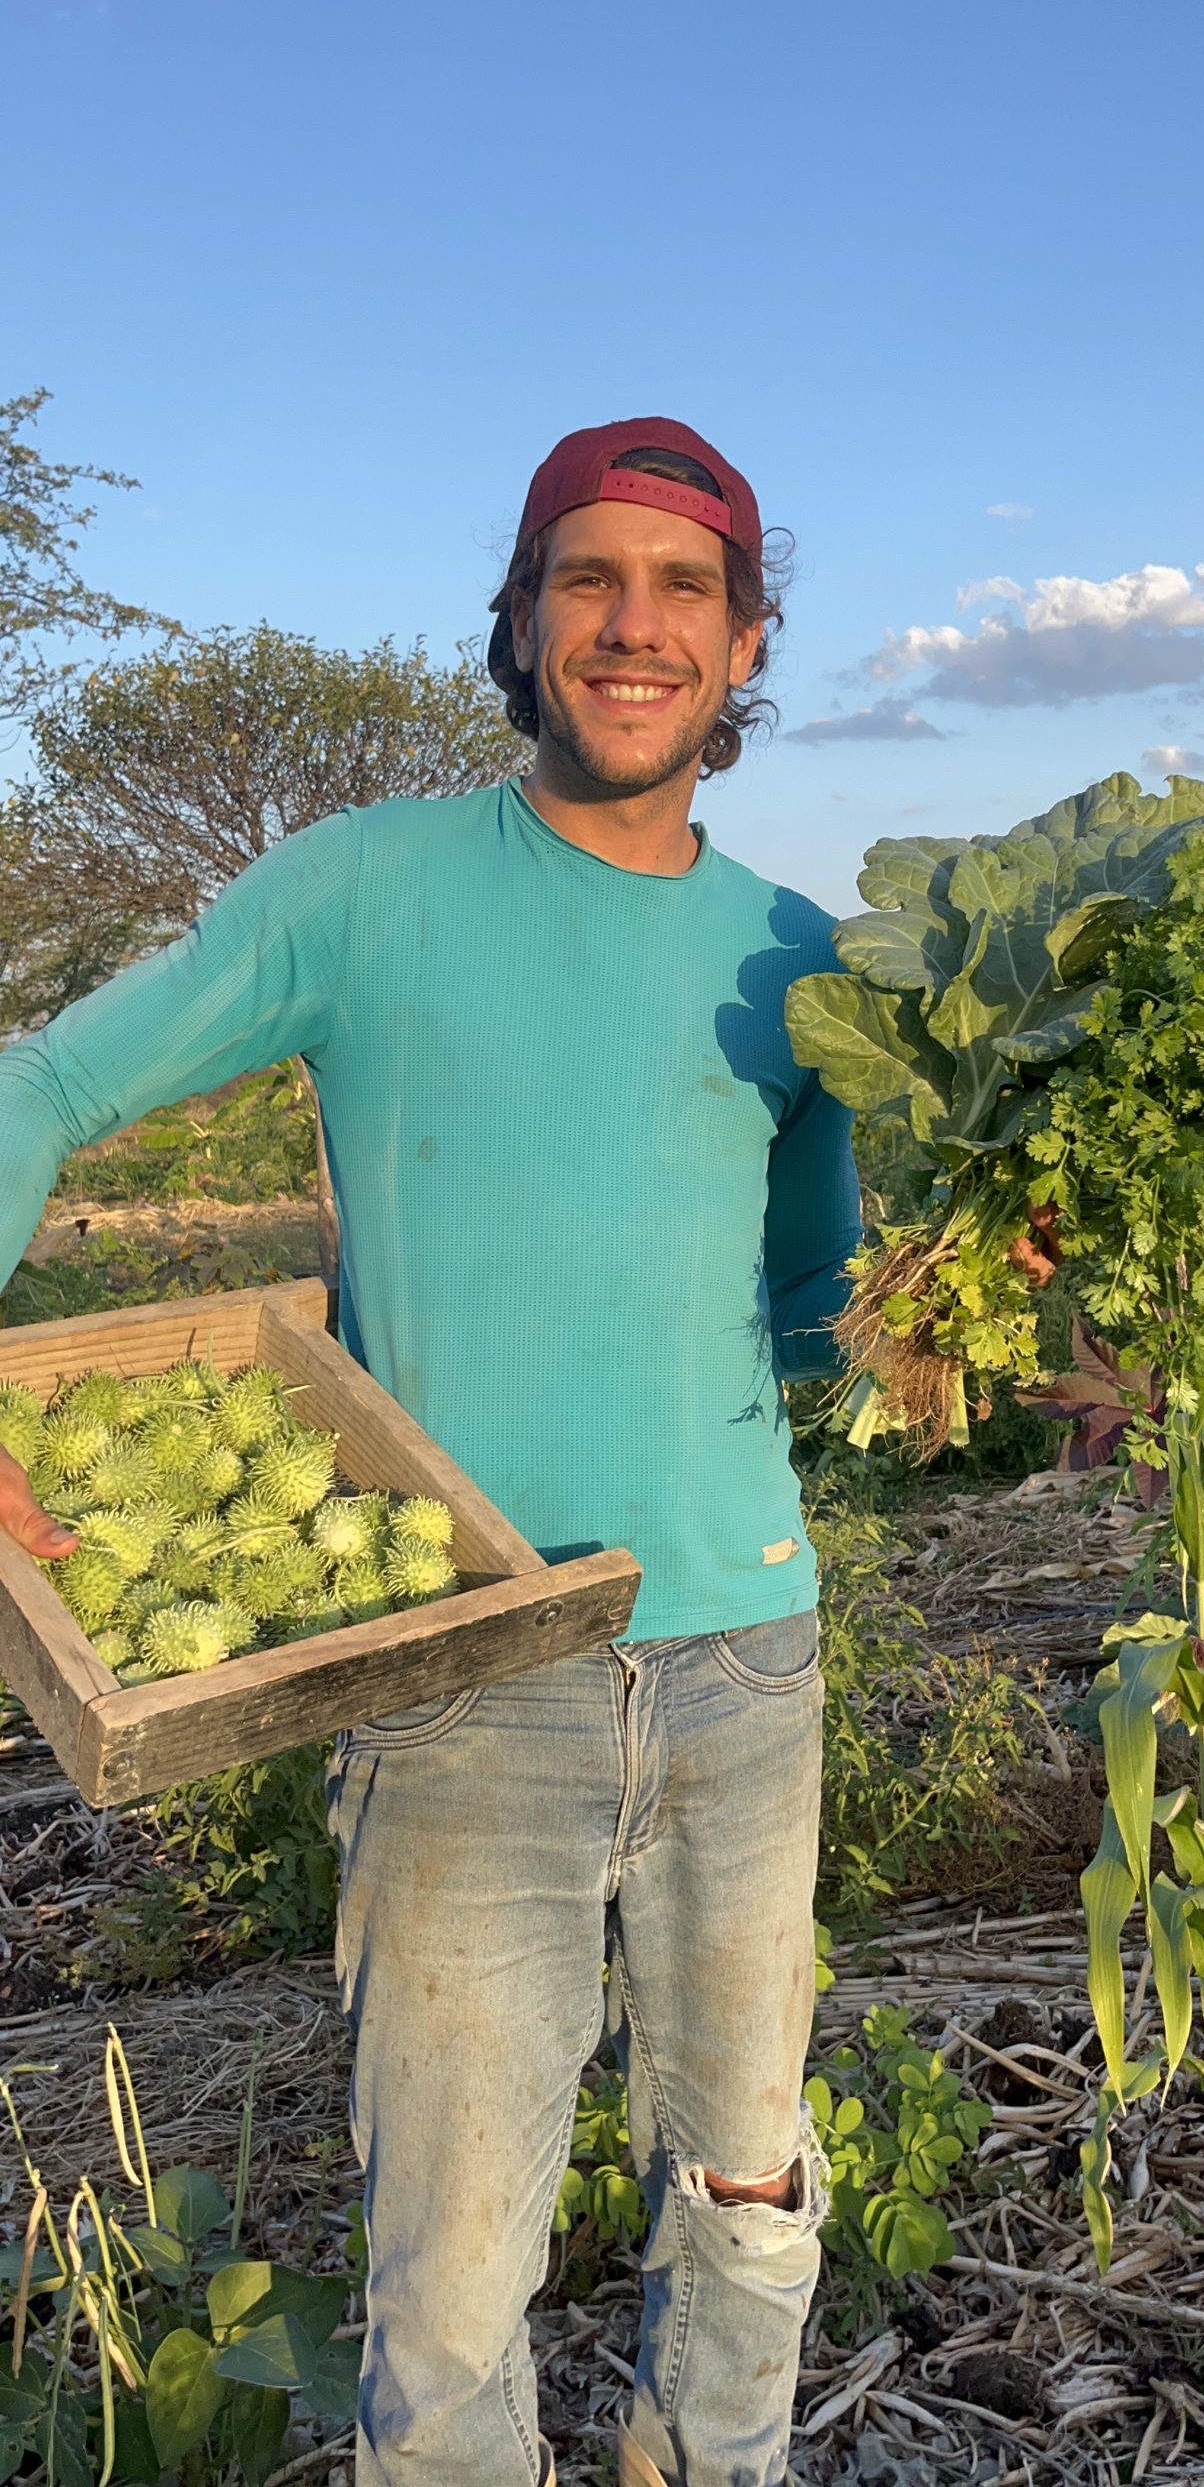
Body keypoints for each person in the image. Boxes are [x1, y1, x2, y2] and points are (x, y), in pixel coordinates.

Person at [0, 418, 862, 2486]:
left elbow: (816, 1302)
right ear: (524, 618)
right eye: (589, 578)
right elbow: (47, 1083)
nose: (634, 625)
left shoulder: (803, 960)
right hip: (470, 1678)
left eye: (684, 587)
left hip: (751, 1664)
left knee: (750, 2195)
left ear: (745, 644)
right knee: (455, 2282)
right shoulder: (362, 888)